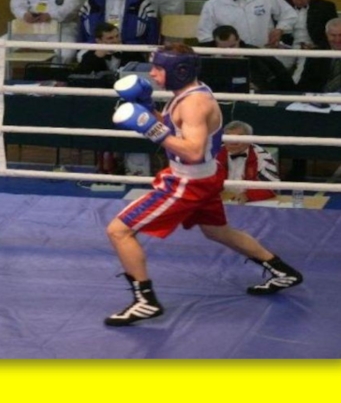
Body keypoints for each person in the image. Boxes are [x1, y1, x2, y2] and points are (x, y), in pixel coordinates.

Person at [104, 43, 303, 326]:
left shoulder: (194, 104)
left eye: (158, 68)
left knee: (119, 231)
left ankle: (145, 301)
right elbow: (176, 130)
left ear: (178, 71)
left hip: (189, 181)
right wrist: (149, 110)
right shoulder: (187, 93)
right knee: (217, 231)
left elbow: (193, 151)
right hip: (205, 176)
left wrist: (150, 128)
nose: (153, 74)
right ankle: (282, 270)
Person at [197, 0, 297, 49]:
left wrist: (280, 29)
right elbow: (205, 35)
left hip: (265, 50)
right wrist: (223, 49)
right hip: (234, 55)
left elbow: (289, 14)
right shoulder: (212, 4)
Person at [9, 0, 82, 63]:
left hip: (61, 30)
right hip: (30, 30)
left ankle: (52, 71)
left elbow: (72, 7)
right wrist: (24, 14)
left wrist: (51, 15)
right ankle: (2, 72)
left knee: (67, 52)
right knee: (0, 44)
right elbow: (16, 5)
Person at [205, 25, 297, 93]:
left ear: (238, 40)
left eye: (232, 46)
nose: (229, 52)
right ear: (216, 45)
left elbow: (282, 79)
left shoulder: (257, 55)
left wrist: (259, 87)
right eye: (223, 48)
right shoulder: (207, 59)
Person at [282, 0, 338, 83]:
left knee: (299, 77)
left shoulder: (325, 7)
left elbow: (333, 33)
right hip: (286, 46)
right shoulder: (282, 7)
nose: (300, 1)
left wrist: (317, 47)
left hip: (311, 48)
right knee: (271, 66)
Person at [78, 0, 158, 48]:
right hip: (97, 49)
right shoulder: (93, 1)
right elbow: (81, 29)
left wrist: (150, 51)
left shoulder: (140, 1)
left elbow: (152, 29)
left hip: (130, 49)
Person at [217, 120, 279, 204]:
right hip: (221, 199)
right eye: (229, 137)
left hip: (252, 202)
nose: (232, 142)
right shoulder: (214, 154)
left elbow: (272, 187)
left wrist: (248, 195)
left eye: (239, 138)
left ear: (249, 139)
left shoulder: (262, 156)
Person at [75, 22, 146, 74]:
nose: (116, 40)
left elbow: (143, 71)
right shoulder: (89, 56)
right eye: (110, 38)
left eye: (117, 36)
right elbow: (80, 76)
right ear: (99, 41)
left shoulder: (132, 52)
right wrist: (96, 57)